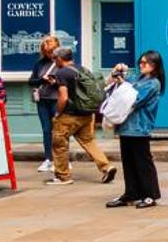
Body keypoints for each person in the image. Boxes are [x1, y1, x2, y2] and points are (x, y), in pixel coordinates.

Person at [45, 46, 116, 186]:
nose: (53, 61)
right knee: (89, 142)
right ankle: (106, 167)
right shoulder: (83, 69)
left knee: (59, 144)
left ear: (59, 59)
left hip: (69, 115)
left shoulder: (62, 72)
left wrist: (57, 113)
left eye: (54, 59)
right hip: (87, 114)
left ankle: (63, 176)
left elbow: (64, 97)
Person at [107, 51, 165, 210]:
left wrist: (123, 85)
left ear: (154, 65)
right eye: (141, 62)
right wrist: (118, 73)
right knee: (128, 162)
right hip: (125, 126)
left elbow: (134, 99)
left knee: (143, 162)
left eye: (145, 63)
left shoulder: (153, 83)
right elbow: (119, 83)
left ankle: (150, 195)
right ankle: (131, 193)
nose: (141, 65)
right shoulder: (136, 78)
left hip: (140, 127)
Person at [27, 35, 62, 175]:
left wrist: (55, 82)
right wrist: (42, 79)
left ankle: (61, 159)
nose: (50, 54)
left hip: (57, 100)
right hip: (42, 100)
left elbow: (69, 81)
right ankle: (48, 159)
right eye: (47, 51)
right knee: (46, 130)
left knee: (59, 130)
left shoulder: (62, 62)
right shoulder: (40, 64)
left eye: (52, 51)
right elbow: (31, 81)